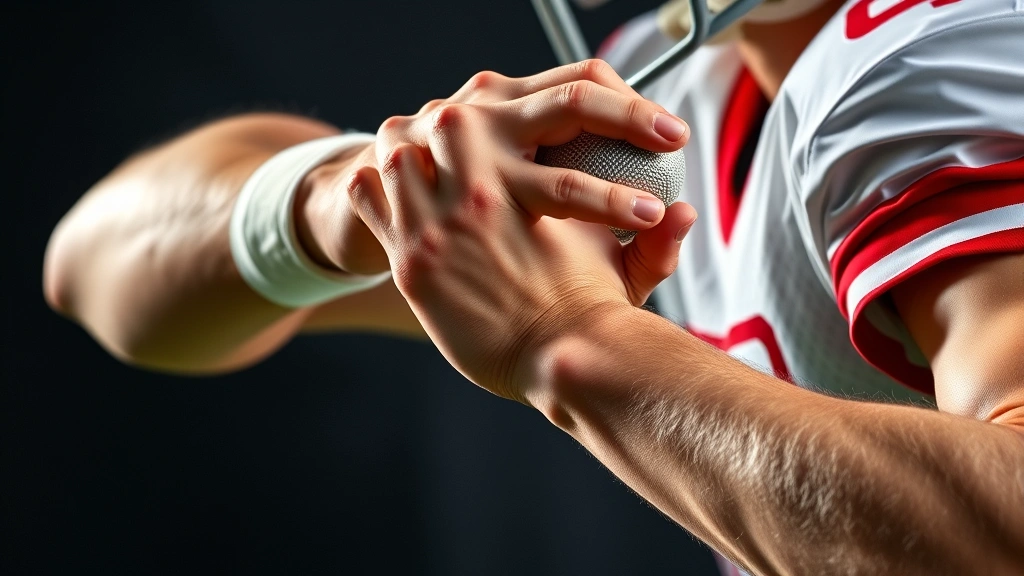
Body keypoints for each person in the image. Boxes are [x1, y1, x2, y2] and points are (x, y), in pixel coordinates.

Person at [43, 0, 1023, 573]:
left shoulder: (930, 60)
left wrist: (569, 342)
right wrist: (342, 200)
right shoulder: (662, 100)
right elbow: (91, 267)